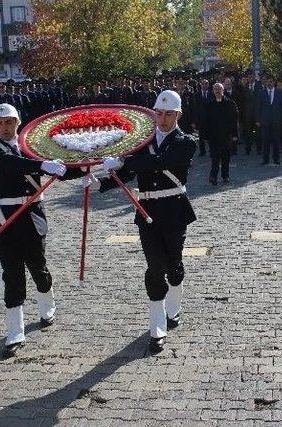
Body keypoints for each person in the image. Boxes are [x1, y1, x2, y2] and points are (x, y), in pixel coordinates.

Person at [83, 90, 197, 353]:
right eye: (159, 113)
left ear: (178, 115)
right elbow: (128, 173)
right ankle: (157, 327)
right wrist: (101, 182)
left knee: (174, 267)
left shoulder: (186, 142)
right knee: (154, 268)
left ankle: (174, 309)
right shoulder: (142, 142)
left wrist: (125, 159)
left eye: (169, 114)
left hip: (174, 209)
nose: (163, 118)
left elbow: (160, 162)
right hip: (146, 210)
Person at [0, 103, 82, 358]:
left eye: (9, 122)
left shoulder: (32, 147)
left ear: (18, 122)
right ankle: (15, 332)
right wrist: (42, 165)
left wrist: (86, 169)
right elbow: (8, 164)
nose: (5, 127)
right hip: (5, 219)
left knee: (38, 267)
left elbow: (58, 168)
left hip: (32, 218)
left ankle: (47, 304)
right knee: (12, 274)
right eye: (0, 123)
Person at [204, 83, 238, 185]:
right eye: (215, 89)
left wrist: (235, 134)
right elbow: (206, 121)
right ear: (213, 91)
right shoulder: (209, 104)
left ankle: (225, 176)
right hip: (214, 136)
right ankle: (213, 177)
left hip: (226, 135)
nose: (217, 91)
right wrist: (205, 135)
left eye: (219, 89)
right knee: (215, 158)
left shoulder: (230, 104)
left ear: (223, 90)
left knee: (225, 157)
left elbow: (234, 120)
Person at [256, 75, 282, 165]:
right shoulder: (261, 92)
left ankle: (276, 159)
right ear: (266, 83)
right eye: (268, 81)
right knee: (265, 141)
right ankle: (265, 159)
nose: (270, 83)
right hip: (265, 121)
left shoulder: (279, 92)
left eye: (271, 81)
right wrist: (257, 119)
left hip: (276, 120)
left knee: (276, 140)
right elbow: (258, 107)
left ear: (274, 82)